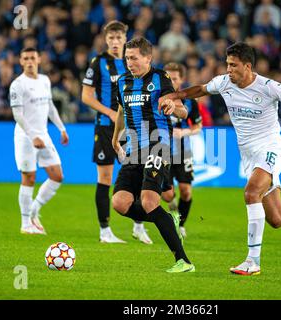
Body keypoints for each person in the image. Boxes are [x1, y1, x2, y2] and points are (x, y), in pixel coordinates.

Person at [161, 42, 281, 276]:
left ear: (248, 66)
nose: (228, 69)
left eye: (233, 65)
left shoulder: (268, 87)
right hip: (250, 156)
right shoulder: (223, 82)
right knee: (277, 218)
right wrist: (175, 95)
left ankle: (252, 261)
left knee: (251, 193)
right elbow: (200, 90)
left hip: (273, 149)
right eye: (227, 64)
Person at [111, 37, 195, 273]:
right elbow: (121, 110)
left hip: (159, 145)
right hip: (134, 148)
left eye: (134, 58)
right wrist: (115, 137)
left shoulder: (160, 78)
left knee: (149, 201)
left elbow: (183, 109)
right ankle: (168, 220)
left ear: (148, 58)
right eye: (127, 58)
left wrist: (173, 107)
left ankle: (183, 261)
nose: (129, 62)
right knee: (119, 203)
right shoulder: (123, 82)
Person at [82, 21, 151, 244]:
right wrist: (111, 113)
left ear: (124, 39)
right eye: (110, 38)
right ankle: (105, 231)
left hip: (132, 128)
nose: (114, 42)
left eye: (118, 38)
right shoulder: (98, 62)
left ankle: (138, 226)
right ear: (105, 40)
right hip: (104, 127)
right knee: (104, 178)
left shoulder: (132, 63)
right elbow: (86, 96)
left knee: (138, 177)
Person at [10, 47, 69, 235]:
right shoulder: (17, 85)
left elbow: (50, 106)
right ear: (20, 61)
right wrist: (32, 135)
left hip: (44, 134)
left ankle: (34, 210)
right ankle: (25, 224)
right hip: (26, 136)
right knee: (29, 178)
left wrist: (61, 128)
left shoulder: (45, 80)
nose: (29, 61)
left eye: (32, 58)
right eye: (25, 58)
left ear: (39, 59)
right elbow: (17, 114)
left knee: (57, 176)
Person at [161, 62, 202, 238]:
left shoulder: (190, 101)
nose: (171, 81)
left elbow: (198, 126)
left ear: (182, 79)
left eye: (175, 78)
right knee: (167, 195)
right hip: (163, 151)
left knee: (186, 191)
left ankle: (181, 224)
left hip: (183, 150)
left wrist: (185, 131)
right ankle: (173, 210)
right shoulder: (158, 98)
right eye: (168, 78)